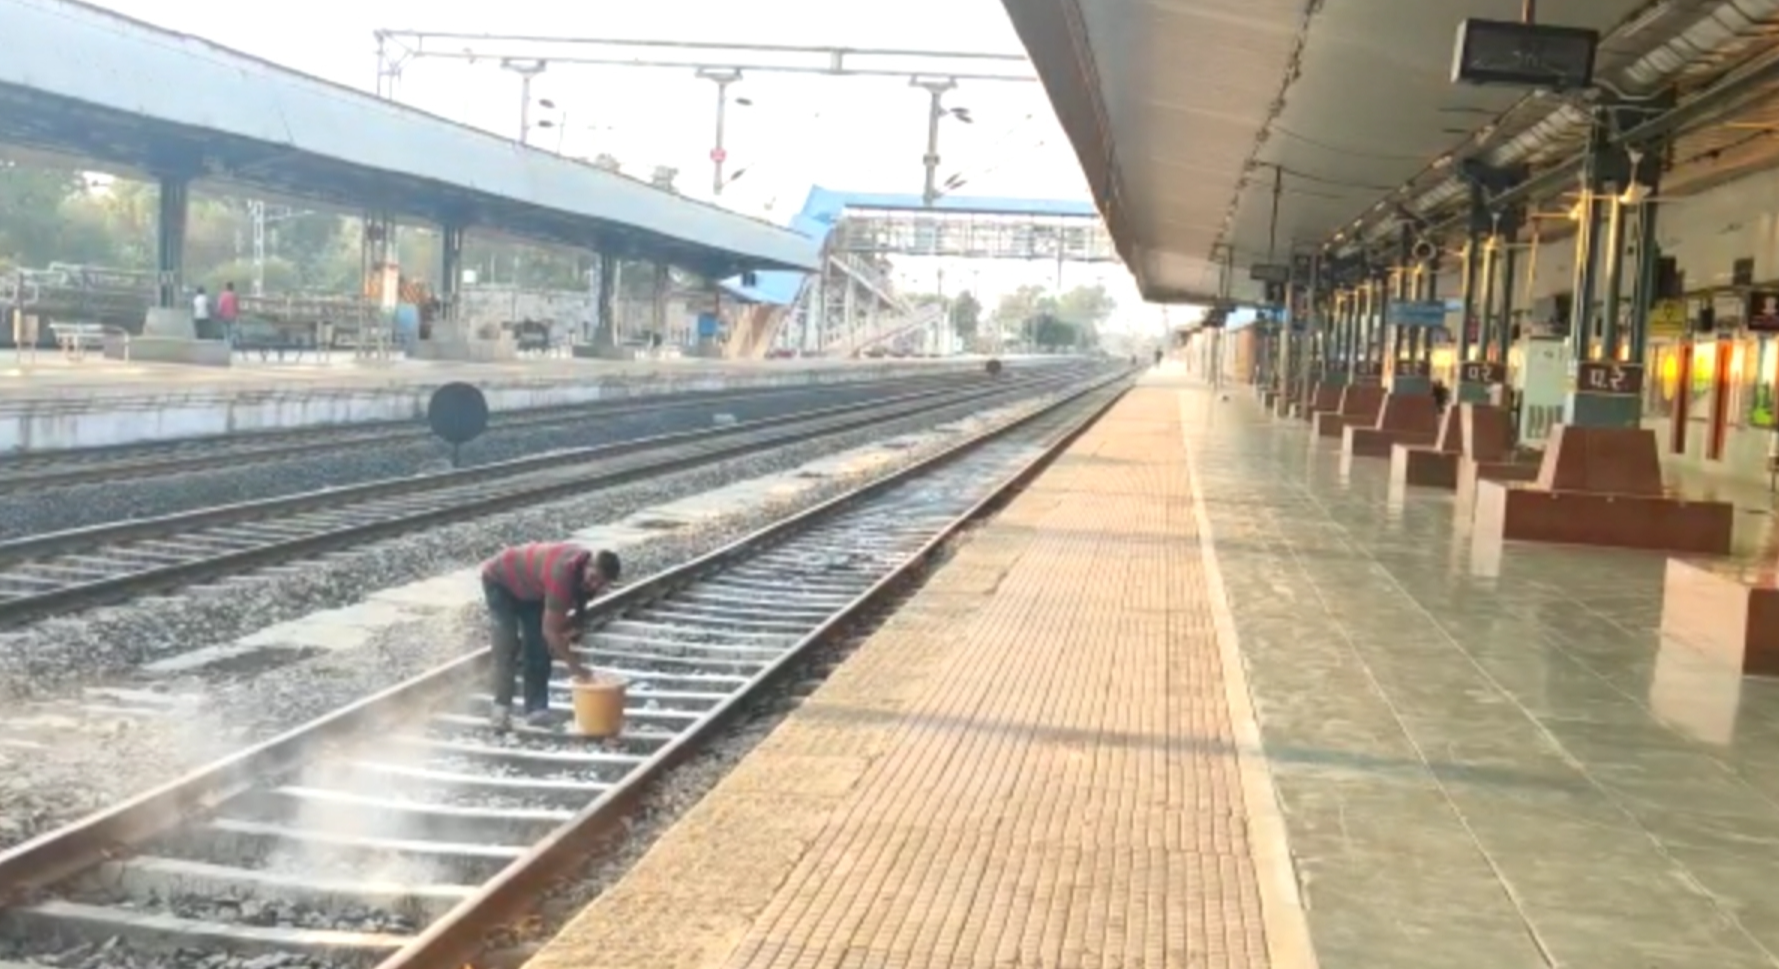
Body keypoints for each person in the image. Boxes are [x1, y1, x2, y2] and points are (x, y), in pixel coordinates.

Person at [480, 541, 622, 730]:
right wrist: (574, 665)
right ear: (588, 565)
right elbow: (551, 631)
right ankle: (501, 708)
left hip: (531, 589)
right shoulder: (562, 575)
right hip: (500, 579)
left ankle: (536, 710)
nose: (593, 585)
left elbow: (558, 625)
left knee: (537, 646)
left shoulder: (581, 574)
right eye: (593, 577)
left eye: (601, 583)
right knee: (507, 643)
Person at [217, 282, 240, 348]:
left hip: (224, 315)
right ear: (232, 287)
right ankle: (231, 343)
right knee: (232, 330)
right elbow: (237, 306)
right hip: (232, 315)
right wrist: (238, 314)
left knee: (225, 330)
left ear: (226, 287)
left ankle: (226, 343)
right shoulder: (234, 295)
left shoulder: (222, 295)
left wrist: (219, 313)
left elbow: (220, 305)